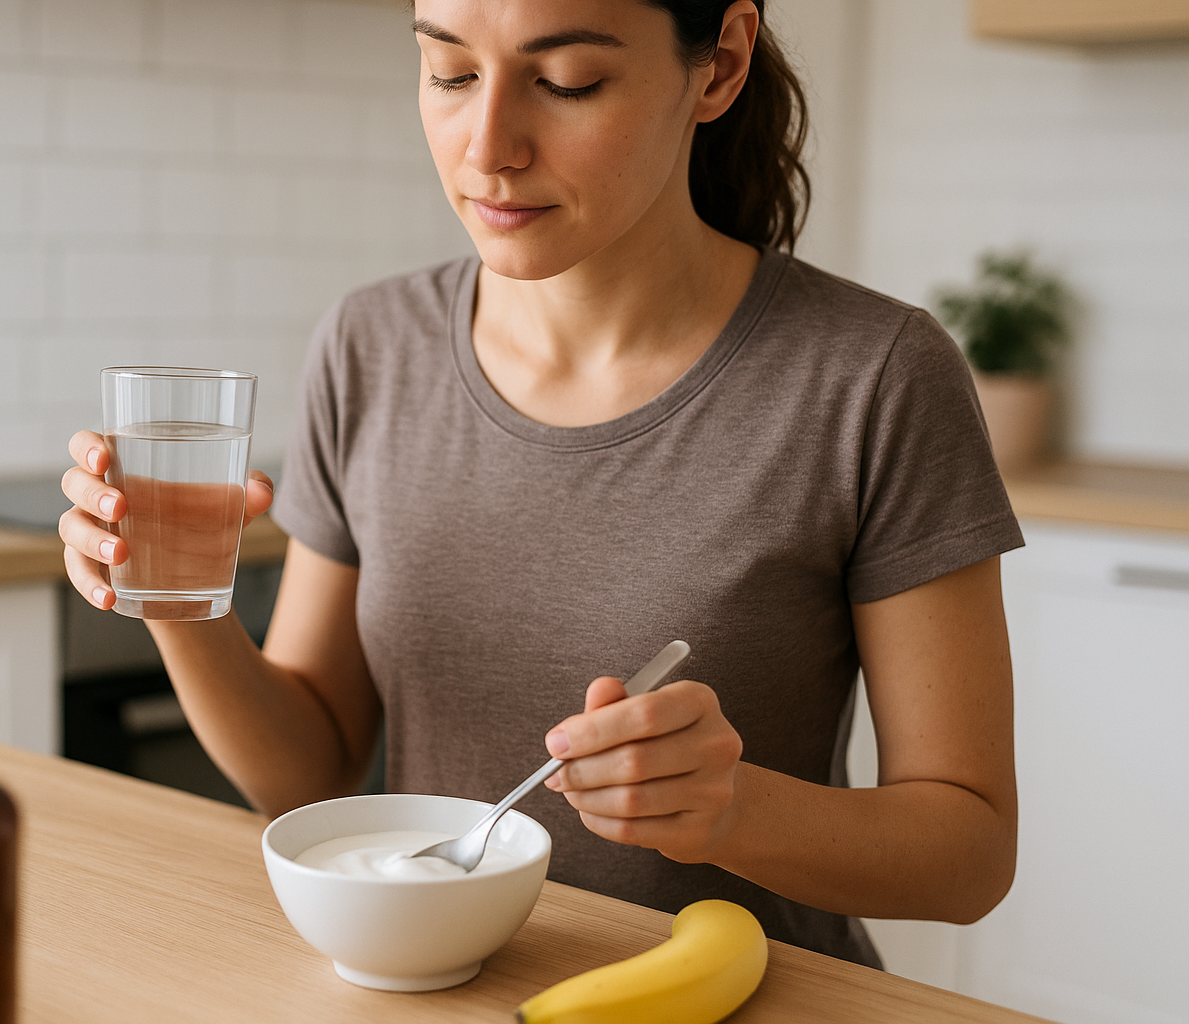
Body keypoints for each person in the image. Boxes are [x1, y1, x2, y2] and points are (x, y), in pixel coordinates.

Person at [59, 0, 1022, 967]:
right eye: (450, 73)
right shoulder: (370, 346)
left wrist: (735, 809)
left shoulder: (875, 377)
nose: (488, 149)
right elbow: (310, 778)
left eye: (567, 83)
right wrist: (174, 600)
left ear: (722, 65)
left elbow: (970, 855)